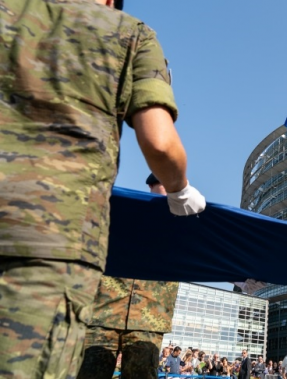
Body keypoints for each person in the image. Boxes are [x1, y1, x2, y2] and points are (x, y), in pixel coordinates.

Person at [0, 0, 207, 377]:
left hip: (145, 316)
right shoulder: (130, 34)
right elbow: (160, 141)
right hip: (58, 241)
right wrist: (179, 188)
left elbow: (204, 251)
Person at [78, 174, 181, 379]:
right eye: (163, 185)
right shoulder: (120, 212)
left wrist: (238, 278)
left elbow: (205, 253)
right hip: (103, 312)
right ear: (152, 185)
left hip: (148, 318)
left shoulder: (183, 224)